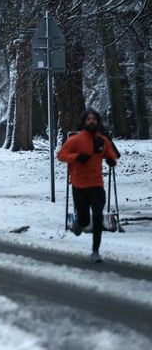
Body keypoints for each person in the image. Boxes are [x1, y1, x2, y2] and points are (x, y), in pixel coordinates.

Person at [57, 108, 118, 263]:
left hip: (97, 184)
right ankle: (79, 223)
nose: (91, 121)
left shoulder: (102, 140)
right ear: (84, 122)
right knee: (84, 220)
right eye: (88, 119)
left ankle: (95, 250)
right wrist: (77, 157)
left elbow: (111, 155)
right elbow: (61, 155)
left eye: (94, 119)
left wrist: (111, 160)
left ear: (97, 122)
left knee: (98, 215)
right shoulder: (75, 140)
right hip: (79, 185)